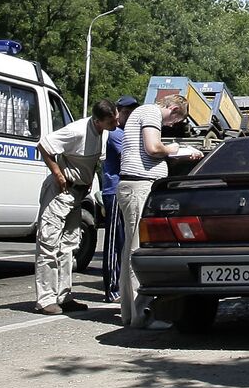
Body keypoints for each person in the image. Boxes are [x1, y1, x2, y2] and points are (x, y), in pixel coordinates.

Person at [117, 94, 198, 328]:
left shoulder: (141, 113)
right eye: (175, 120)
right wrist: (174, 149)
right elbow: (153, 147)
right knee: (139, 250)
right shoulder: (151, 112)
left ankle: (130, 313)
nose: (171, 125)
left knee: (130, 250)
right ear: (172, 108)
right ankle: (141, 315)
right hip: (139, 186)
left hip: (132, 185)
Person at [34, 99, 117, 314]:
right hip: (61, 192)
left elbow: (92, 161)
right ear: (98, 120)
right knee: (49, 243)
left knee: (69, 244)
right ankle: (46, 299)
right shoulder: (77, 131)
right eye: (111, 121)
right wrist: (58, 174)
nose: (115, 123)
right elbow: (44, 145)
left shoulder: (104, 133)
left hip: (78, 193)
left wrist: (89, 180)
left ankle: (64, 295)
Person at [101, 95, 139, 303]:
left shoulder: (125, 133)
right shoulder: (116, 133)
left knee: (125, 241)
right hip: (114, 191)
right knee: (115, 242)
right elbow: (130, 155)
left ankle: (121, 286)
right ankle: (112, 288)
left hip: (123, 191)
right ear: (118, 112)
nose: (129, 115)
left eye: (132, 112)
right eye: (125, 112)